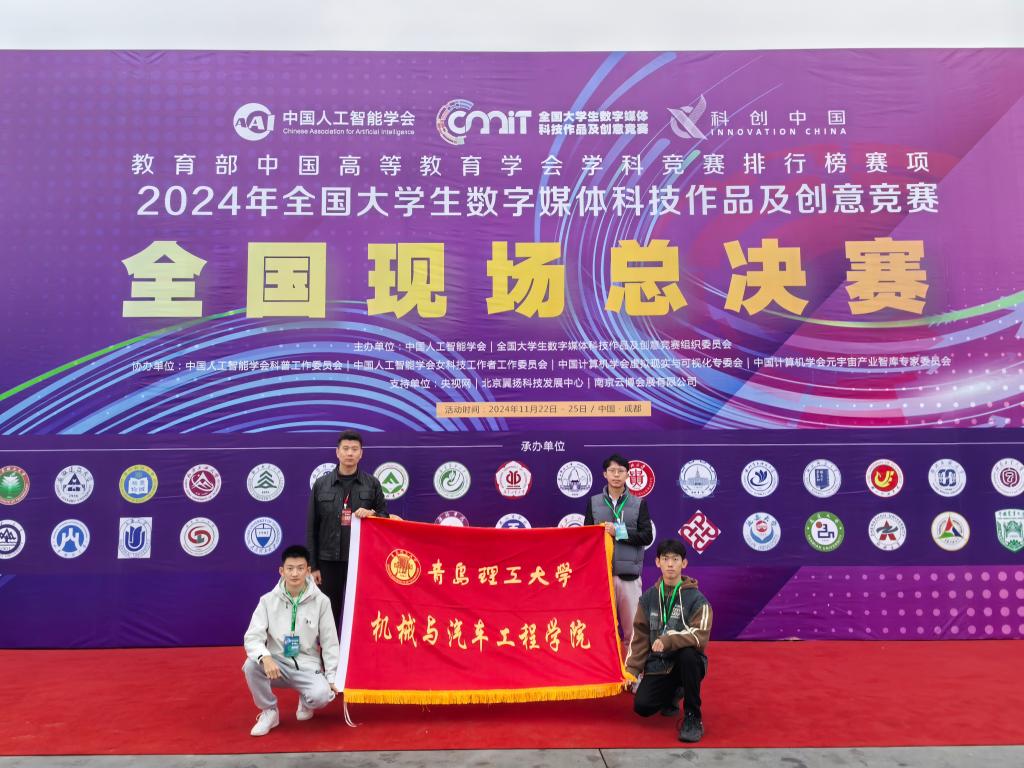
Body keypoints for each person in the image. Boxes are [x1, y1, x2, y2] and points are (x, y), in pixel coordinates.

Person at [243, 544, 339, 737]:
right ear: (282, 571)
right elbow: (252, 637)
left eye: (300, 568)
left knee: (322, 696)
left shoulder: (322, 602)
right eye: (290, 568)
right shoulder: (267, 601)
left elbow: (330, 642)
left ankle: (306, 699)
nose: (295, 573)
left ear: (308, 570)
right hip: (277, 664)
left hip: (307, 665)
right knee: (251, 666)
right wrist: (265, 657)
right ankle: (270, 711)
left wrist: (331, 678)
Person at [625, 539, 712, 744]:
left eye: (675, 559)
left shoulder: (697, 600)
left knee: (689, 655)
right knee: (642, 707)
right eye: (665, 559)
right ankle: (673, 693)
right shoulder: (648, 598)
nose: (670, 564)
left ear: (684, 563)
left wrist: (669, 640)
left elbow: (700, 636)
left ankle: (693, 717)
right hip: (659, 665)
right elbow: (640, 636)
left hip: (687, 663)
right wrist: (632, 670)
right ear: (657, 562)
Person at [307, 429, 388, 626]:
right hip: (328, 561)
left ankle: (358, 648)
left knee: (361, 612)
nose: (350, 453)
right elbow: (312, 527)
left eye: (354, 449)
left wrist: (372, 514)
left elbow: (385, 517)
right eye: (345, 448)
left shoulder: (372, 484)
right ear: (337, 452)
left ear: (361, 453)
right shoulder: (321, 484)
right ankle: (330, 648)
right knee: (329, 614)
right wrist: (314, 566)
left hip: (362, 560)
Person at [583, 453, 653, 644]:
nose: (616, 475)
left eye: (621, 471)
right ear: (604, 474)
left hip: (628, 576)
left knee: (634, 631)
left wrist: (619, 532)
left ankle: (633, 663)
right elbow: (587, 537)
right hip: (601, 576)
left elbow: (647, 536)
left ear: (627, 475)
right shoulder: (594, 502)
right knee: (601, 630)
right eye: (612, 470)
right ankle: (605, 664)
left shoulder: (638, 503)